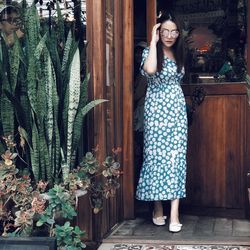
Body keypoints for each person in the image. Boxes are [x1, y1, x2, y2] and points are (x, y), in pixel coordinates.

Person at [135, 12, 187, 233]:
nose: (169, 35)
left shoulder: (179, 53)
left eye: (173, 31)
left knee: (177, 159)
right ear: (158, 32)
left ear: (178, 34)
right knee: (155, 158)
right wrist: (153, 41)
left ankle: (174, 212)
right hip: (156, 112)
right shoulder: (150, 52)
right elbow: (150, 70)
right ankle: (157, 207)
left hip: (176, 112)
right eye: (164, 31)